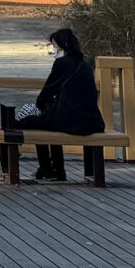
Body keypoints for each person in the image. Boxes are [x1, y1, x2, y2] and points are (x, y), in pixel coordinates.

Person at [23, 26, 103, 180]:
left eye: (54, 46)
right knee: (49, 123)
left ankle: (48, 168)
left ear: (62, 46)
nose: (53, 49)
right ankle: (57, 170)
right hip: (91, 120)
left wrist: (41, 105)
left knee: (33, 123)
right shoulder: (85, 64)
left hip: (70, 120)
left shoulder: (62, 63)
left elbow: (47, 91)